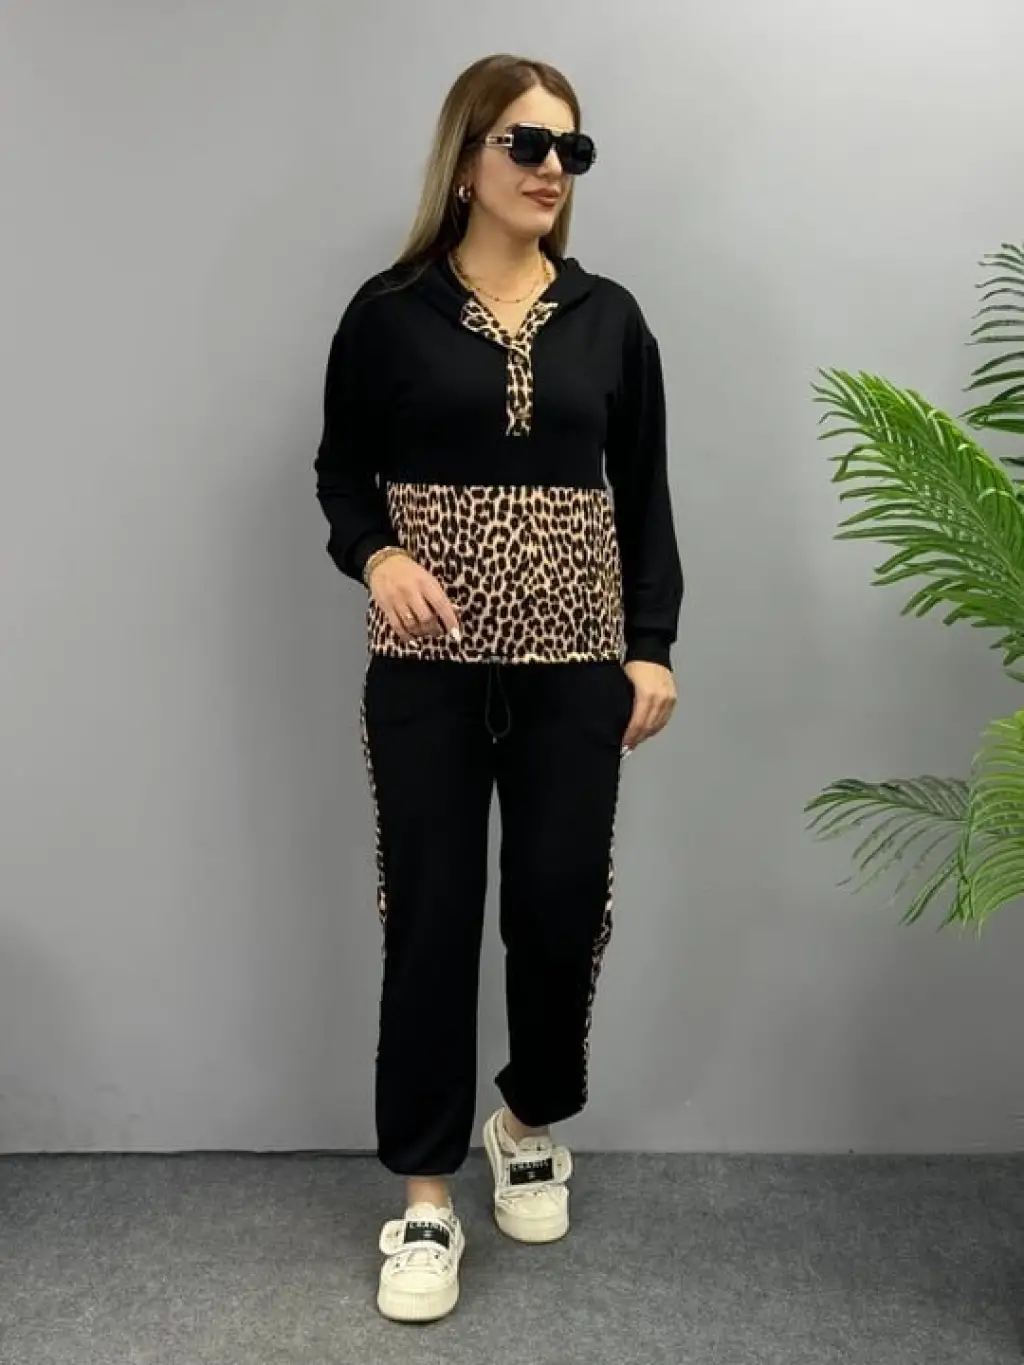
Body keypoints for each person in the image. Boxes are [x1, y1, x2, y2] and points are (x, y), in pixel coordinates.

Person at [313, 52, 683, 1323]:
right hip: (426, 673)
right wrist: (379, 555)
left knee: (561, 904)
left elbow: (643, 492)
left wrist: (651, 643)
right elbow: (341, 478)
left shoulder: (608, 318)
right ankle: (425, 1198)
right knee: (429, 915)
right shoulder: (389, 313)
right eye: (525, 143)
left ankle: (525, 1120)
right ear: (467, 159)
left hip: (576, 666)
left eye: (570, 150)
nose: (549, 168)